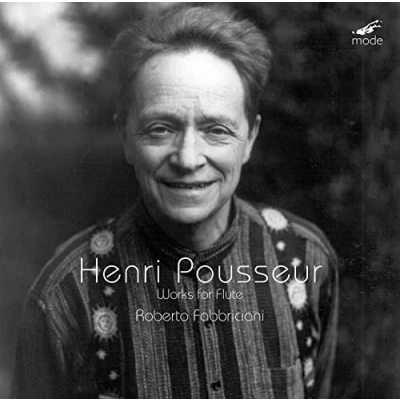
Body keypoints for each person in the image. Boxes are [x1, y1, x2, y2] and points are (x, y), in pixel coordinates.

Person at [12, 5, 338, 399]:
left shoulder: (303, 260)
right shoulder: (67, 293)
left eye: (216, 130)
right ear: (125, 136)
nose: (187, 158)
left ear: (250, 138)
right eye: (160, 129)